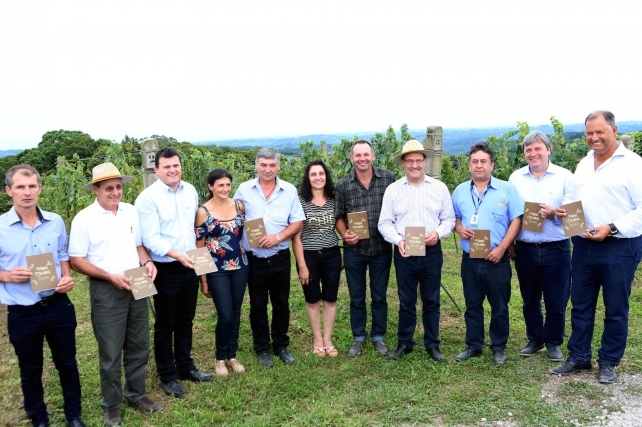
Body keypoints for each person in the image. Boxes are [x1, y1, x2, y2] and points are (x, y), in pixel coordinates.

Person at [551, 111, 642, 383]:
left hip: (619, 246)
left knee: (615, 307)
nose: (594, 138)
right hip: (583, 244)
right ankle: (579, 357)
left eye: (600, 132)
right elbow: (572, 196)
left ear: (614, 130)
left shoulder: (633, 164)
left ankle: (609, 361)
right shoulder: (584, 163)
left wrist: (611, 227)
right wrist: (564, 210)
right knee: (580, 304)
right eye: (590, 133)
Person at [68, 163, 162, 426]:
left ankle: (136, 394)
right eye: (108, 188)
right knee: (110, 351)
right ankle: (111, 404)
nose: (115, 192)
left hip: (137, 281)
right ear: (96, 189)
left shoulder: (131, 212)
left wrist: (147, 263)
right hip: (107, 288)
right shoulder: (84, 219)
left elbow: (138, 246)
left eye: (119, 187)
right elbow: (76, 260)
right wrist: (110, 277)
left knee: (139, 344)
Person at [0, 164, 87, 427]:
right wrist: (6, 276)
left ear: (39, 188)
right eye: (20, 187)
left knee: (67, 363)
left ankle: (74, 415)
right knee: (30, 370)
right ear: (9, 191)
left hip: (57, 304)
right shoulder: (1, 226)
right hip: (22, 310)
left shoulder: (55, 221)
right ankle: (39, 418)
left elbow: (62, 254)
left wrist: (66, 276)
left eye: (32, 186)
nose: (27, 192)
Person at [135, 147, 212, 398]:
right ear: (155, 169)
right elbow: (151, 238)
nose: (172, 170)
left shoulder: (190, 190)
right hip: (166, 267)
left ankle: (186, 367)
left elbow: (193, 229)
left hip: (190, 263)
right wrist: (177, 255)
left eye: (176, 165)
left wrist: (198, 264)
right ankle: (167, 375)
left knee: (186, 320)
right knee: (166, 323)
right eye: (166, 166)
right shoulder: (147, 198)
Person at [378, 140, 455, 361]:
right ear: (403, 163)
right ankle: (405, 343)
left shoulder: (438, 188)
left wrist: (437, 234)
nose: (414, 165)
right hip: (405, 252)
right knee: (406, 300)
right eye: (409, 160)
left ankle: (432, 344)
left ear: (425, 161)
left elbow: (448, 219)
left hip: (431, 251)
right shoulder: (393, 190)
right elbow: (385, 223)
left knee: (431, 299)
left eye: (418, 160)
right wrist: (397, 241)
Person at [452, 143, 523, 364]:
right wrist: (459, 227)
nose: (479, 165)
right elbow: (454, 217)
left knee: (499, 305)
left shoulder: (507, 189)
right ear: (469, 166)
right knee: (472, 304)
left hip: (497, 258)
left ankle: (499, 347)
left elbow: (516, 220)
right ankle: (474, 345)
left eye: (484, 161)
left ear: (492, 165)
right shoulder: (460, 191)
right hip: (470, 259)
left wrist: (502, 248)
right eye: (475, 161)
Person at [234, 148, 305, 367]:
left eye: (272, 165)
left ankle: (281, 345)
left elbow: (298, 222)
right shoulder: (244, 190)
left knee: (281, 303)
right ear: (256, 165)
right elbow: (232, 216)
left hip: (279, 256)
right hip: (254, 259)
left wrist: (278, 236)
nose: (267, 169)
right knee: (257, 305)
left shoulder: (289, 190)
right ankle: (262, 348)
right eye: (263, 165)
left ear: (278, 167)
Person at [508, 132, 573, 362]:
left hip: (557, 248)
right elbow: (511, 213)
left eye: (537, 149)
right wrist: (510, 243)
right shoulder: (515, 178)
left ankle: (553, 342)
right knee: (530, 298)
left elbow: (575, 215)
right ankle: (535, 339)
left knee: (557, 298)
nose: (533, 154)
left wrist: (554, 214)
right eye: (528, 150)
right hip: (526, 248)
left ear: (548, 150)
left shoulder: (565, 177)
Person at [335, 140, 395, 357]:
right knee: (356, 296)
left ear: (373, 156)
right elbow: (339, 216)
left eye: (366, 154)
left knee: (379, 296)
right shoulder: (343, 185)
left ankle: (378, 336)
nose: (362, 158)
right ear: (351, 158)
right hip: (355, 251)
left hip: (381, 248)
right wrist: (344, 234)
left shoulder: (388, 179)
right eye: (357, 155)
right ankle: (358, 337)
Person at [195, 169, 249, 376]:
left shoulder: (239, 206)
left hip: (240, 266)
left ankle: (232, 355)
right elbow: (199, 246)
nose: (225, 189)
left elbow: (243, 235)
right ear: (210, 187)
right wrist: (203, 279)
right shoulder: (203, 212)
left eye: (227, 185)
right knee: (225, 314)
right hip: (217, 269)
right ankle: (219, 358)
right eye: (220, 185)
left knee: (236, 313)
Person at [292, 160, 342, 357]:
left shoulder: (334, 199)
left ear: (326, 176)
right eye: (313, 174)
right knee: (312, 300)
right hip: (309, 256)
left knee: (330, 298)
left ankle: (328, 339)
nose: (318, 177)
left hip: (331, 254)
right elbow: (296, 236)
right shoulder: (300, 201)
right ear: (308, 178)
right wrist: (302, 265)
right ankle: (317, 338)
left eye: (321, 173)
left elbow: (340, 223)